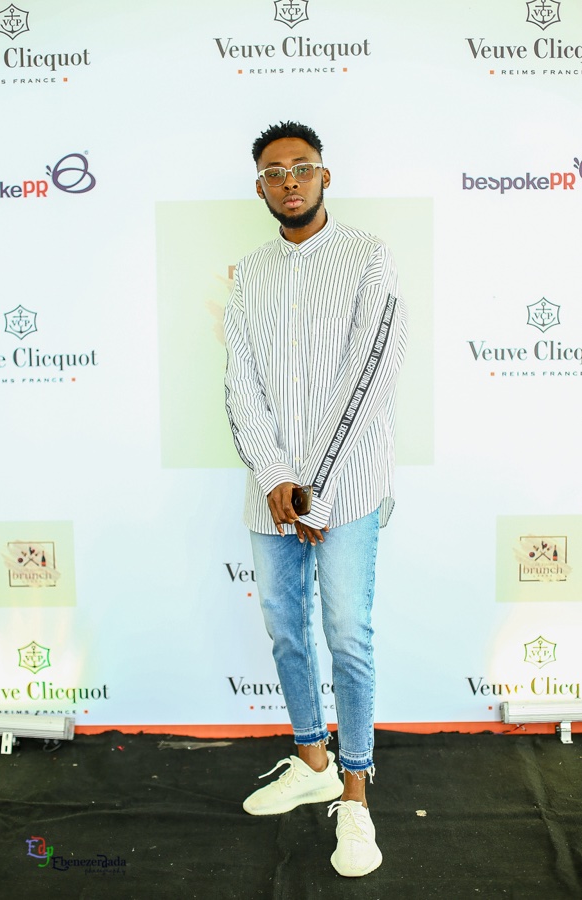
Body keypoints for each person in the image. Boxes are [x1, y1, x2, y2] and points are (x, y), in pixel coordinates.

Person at [223, 121, 407, 878]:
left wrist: (317, 491)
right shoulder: (249, 273)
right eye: (274, 172)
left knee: (347, 636)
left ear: (325, 176)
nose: (289, 180)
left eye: (301, 167)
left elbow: (371, 375)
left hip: (349, 488)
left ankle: (355, 793)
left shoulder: (369, 257)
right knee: (284, 629)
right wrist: (277, 478)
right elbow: (240, 384)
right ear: (260, 187)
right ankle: (311, 760)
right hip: (272, 495)